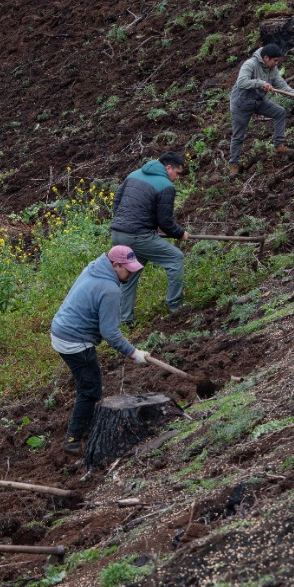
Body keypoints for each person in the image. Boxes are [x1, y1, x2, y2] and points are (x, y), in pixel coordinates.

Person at [51, 246, 151, 454]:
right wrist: (134, 353)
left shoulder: (95, 267)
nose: (131, 273)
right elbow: (110, 333)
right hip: (74, 341)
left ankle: (85, 420)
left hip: (61, 329)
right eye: (128, 269)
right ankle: (73, 440)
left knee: (87, 380)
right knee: (91, 389)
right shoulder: (110, 290)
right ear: (115, 265)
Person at [110, 152, 189, 324]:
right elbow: (165, 222)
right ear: (168, 168)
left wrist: (124, 224)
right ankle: (176, 308)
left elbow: (116, 201)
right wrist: (180, 233)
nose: (176, 177)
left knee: (130, 274)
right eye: (177, 173)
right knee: (176, 258)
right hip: (137, 236)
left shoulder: (134, 174)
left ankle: (124, 321)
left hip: (117, 233)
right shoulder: (165, 185)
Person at [228, 45, 294, 175]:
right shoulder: (250, 64)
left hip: (259, 101)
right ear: (266, 58)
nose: (276, 64)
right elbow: (241, 82)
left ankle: (279, 145)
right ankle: (234, 164)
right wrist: (260, 83)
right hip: (241, 104)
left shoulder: (272, 69)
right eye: (275, 60)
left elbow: (283, 86)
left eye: (278, 61)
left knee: (280, 112)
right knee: (238, 135)